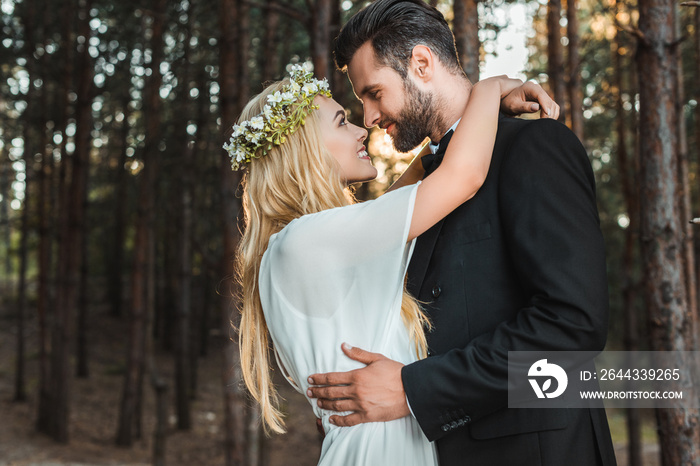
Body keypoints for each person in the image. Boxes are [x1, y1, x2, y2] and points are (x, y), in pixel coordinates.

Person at [306, 1, 618, 465]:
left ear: (422, 64)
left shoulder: (533, 148)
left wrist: (416, 390)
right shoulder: (427, 187)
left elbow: (572, 326)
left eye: (374, 92)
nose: (368, 117)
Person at [228, 63, 555, 465]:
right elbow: (463, 176)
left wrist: (445, 138)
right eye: (342, 121)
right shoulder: (307, 241)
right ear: (305, 147)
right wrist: (486, 91)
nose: (361, 129)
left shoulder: (300, 244)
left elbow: (399, 202)